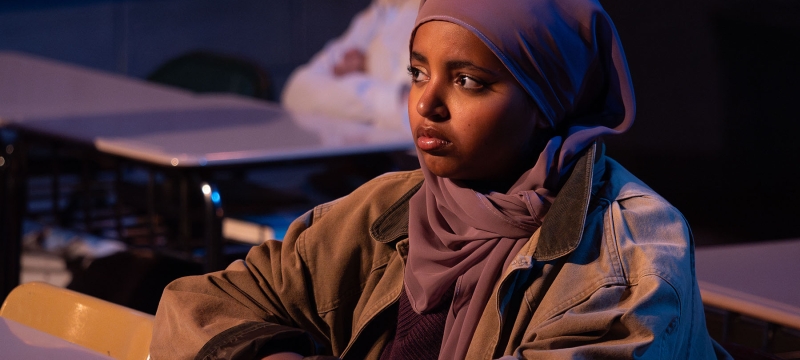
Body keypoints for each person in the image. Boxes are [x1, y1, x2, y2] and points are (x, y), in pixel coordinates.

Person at [150, 0, 731, 358]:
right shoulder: (393, 206)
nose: (426, 104)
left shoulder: (629, 252)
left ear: (549, 102)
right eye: (417, 72)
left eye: (470, 81)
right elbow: (197, 303)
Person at [281, 0, 419, 133]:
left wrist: (344, 88)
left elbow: (410, 116)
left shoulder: (427, 15)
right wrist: (385, 99)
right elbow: (296, 91)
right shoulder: (377, 12)